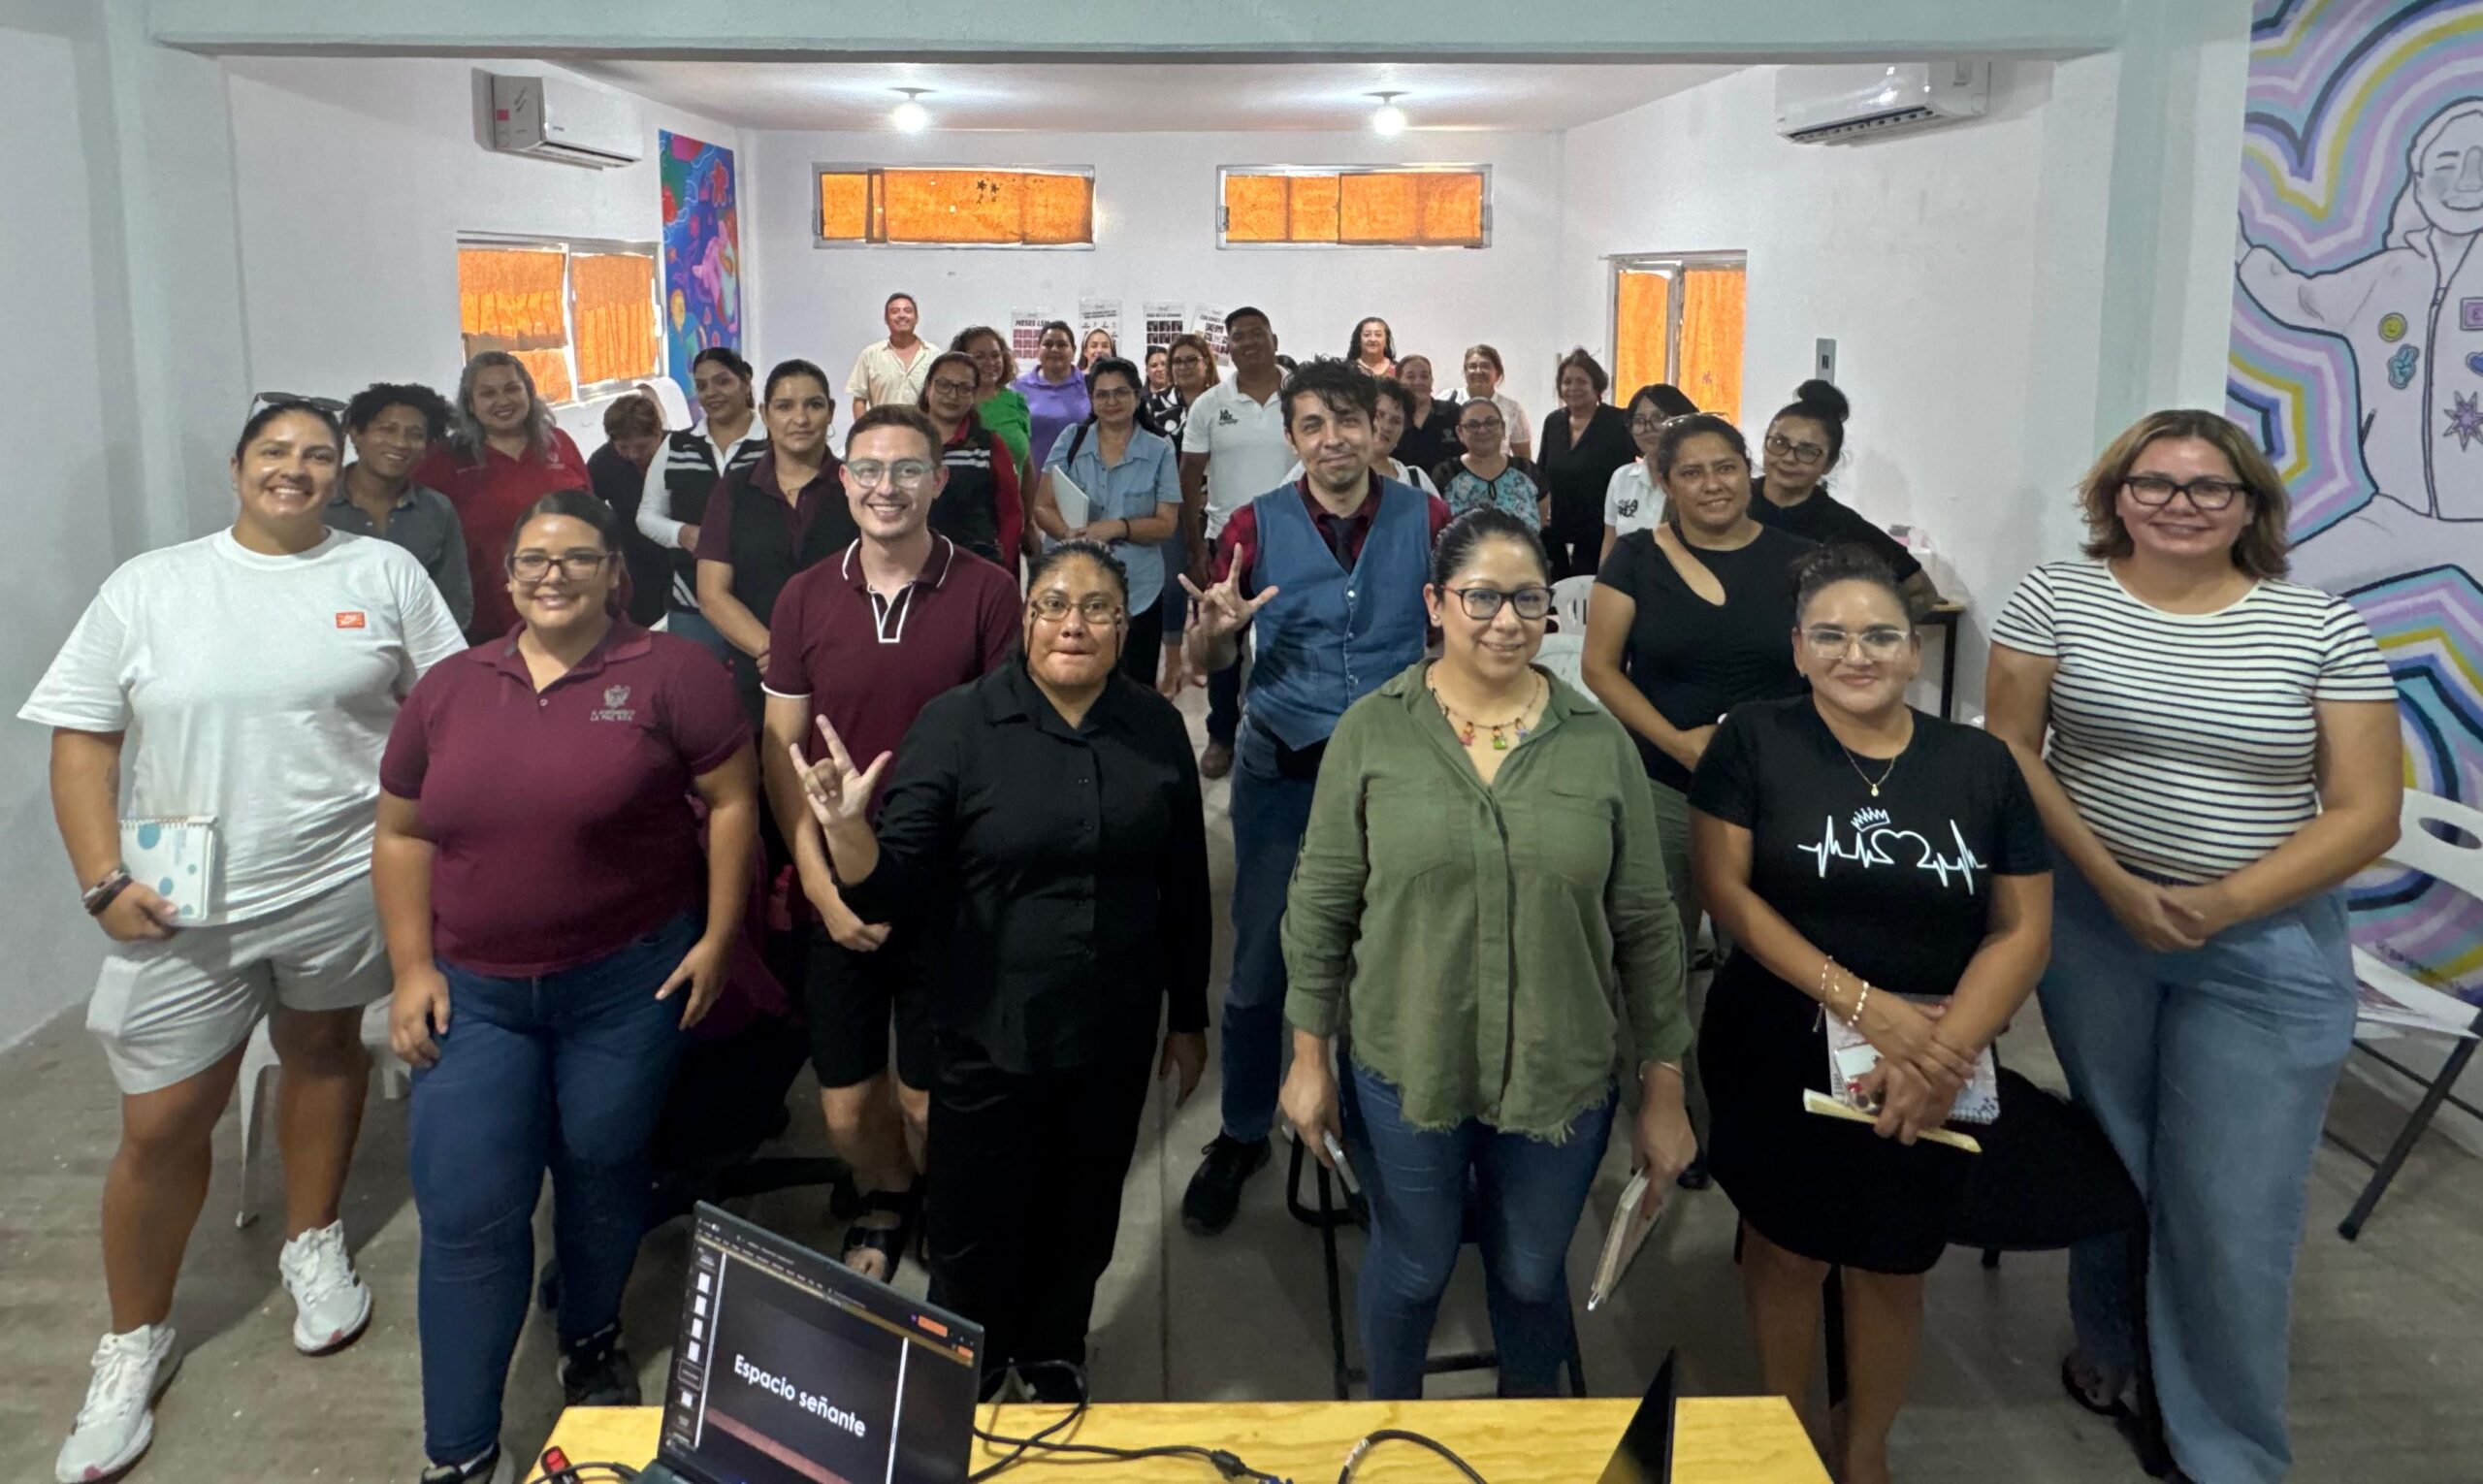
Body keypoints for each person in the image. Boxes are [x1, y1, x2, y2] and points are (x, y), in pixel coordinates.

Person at [27, 402, 466, 1484]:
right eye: (275, 452)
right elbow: (83, 741)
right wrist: (101, 880)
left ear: (340, 473)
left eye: (317, 455)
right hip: (181, 900)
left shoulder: (382, 575)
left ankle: (313, 1240)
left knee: (322, 1052)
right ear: (237, 468)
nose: (296, 470)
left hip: (339, 880)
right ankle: (135, 1340)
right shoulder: (152, 586)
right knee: (164, 1120)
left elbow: (449, 714)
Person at [1984, 410, 2402, 1484]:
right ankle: (2115, 1357)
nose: (2179, 504)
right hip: (2095, 926)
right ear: (2114, 496)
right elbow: (2013, 751)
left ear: (2249, 505)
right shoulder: (2055, 598)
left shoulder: (2317, 626)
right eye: (2154, 483)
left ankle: (2222, 1448)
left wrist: (2217, 903)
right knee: (2120, 1153)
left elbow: (2367, 813)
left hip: (2265, 942)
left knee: (2230, 1205)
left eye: (2209, 486)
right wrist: (2115, 885)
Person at [376, 489, 758, 1484]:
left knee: (601, 1162)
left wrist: (718, 936)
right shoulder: (451, 688)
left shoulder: (674, 672)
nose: (554, 576)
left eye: (578, 558)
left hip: (626, 982)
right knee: (468, 1208)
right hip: (474, 993)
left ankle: (590, 1333)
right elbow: (401, 831)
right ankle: (459, 1450)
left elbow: (730, 802)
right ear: (507, 579)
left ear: (614, 573)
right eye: (534, 561)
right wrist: (410, 967)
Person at [1280, 508, 1695, 1400]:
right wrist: (1309, 1056)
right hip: (1408, 1066)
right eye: (1481, 598)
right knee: (1414, 1267)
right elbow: (1321, 904)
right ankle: (1391, 1429)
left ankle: (1524, 1434)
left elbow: (1647, 924)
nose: (1507, 620)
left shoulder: (1598, 744)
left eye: (1528, 599)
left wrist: (1664, 1086)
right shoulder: (1373, 732)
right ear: (1436, 604)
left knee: (1530, 1275)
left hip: (1560, 1073)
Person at [790, 541, 1209, 1402]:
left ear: (1123, 626)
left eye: (1097, 608)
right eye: (1053, 604)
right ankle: (967, 1370)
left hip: (1113, 1028)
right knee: (973, 1222)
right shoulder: (957, 725)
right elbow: (893, 887)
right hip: (985, 1029)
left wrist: (1190, 1014)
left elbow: (1185, 884)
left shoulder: (1155, 726)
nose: (1073, 624)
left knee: (1084, 1212)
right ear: (1026, 620)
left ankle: (1054, 1351)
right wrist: (846, 830)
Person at [1691, 545, 2052, 1484]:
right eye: (1831, 636)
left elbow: (2021, 930)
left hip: (1934, 1058)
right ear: (1797, 649)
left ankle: (1863, 1451)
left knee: (1893, 1262)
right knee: (1785, 1252)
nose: (1857, 655)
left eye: (1881, 636)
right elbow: (1728, 895)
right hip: (1777, 1041)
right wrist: (1865, 1008)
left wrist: (1942, 1050)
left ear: (1916, 650)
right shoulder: (1754, 740)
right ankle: (1784, 1441)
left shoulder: (1980, 764)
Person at [1176, 361, 1453, 1237]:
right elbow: (1208, 663)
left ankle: (1373, 1134)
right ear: (1292, 438)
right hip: (1286, 768)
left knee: (1388, 962)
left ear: (1378, 427)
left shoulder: (1427, 518)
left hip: (1396, 771)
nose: (1332, 440)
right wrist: (1216, 638)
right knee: (1262, 959)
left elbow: (1452, 633)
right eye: (1311, 425)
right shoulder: (1253, 526)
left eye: (1347, 421)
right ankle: (1242, 1129)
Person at [759, 404, 1022, 1287]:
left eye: (909, 470)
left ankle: (949, 1202)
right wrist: (819, 886)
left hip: (947, 890)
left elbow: (1001, 753)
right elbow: (783, 750)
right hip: (835, 883)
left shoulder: (988, 591)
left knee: (926, 1099)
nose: (887, 487)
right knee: (844, 1110)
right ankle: (887, 1192)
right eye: (869, 469)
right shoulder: (804, 596)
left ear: (939, 481)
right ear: (843, 481)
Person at [695, 360, 855, 719]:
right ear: (766, 414)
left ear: (831, 411)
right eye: (785, 406)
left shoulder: (857, 488)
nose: (800, 419)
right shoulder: (734, 490)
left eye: (813, 405)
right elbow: (712, 593)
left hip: (846, 670)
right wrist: (777, 653)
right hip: (758, 674)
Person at [1179, 306, 1298, 778]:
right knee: (1222, 638)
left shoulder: (1302, 395)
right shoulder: (1210, 404)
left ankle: (1282, 728)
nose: (1248, 342)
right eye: (1238, 336)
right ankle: (1222, 733)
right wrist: (1195, 548)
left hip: (1294, 541)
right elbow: (1189, 478)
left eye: (1256, 333)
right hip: (1227, 545)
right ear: (1227, 347)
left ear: (1274, 339)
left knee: (1289, 638)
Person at [415, 351, 593, 645]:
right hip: (485, 624)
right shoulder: (444, 461)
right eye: (488, 393)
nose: (502, 401)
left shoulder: (559, 443)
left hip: (570, 609)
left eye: (512, 388)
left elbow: (593, 522)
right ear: (470, 404)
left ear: (528, 392)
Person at [1030, 355, 1181, 685]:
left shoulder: (1159, 449)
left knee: (1134, 685)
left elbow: (1166, 524)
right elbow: (1042, 506)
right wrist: (1067, 533)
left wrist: (1119, 527)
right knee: (1073, 680)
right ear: (1091, 399)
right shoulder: (1071, 439)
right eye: (1102, 394)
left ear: (1137, 395)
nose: (1111, 401)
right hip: (1072, 585)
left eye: (1120, 392)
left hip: (1137, 590)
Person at [1751, 381, 1940, 614]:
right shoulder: (1731, 505)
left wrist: (1866, 626)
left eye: (1808, 451)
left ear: (1829, 464)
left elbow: (1922, 591)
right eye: (1779, 443)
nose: (1789, 458)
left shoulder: (1843, 525)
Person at [637, 347, 766, 661]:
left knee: (762, 685)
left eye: (723, 381)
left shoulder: (773, 443)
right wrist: (683, 534)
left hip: (762, 598)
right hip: (691, 600)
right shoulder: (677, 445)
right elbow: (647, 515)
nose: (711, 393)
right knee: (695, 683)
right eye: (702, 385)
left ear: (745, 381)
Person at [332, 381, 473, 629]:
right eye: (387, 430)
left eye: (415, 435)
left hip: (417, 649)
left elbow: (454, 601)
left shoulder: (436, 510)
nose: (400, 443)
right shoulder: (315, 502)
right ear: (356, 435)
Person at [1153, 333, 1220, 695]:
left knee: (1209, 582)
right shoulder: (1155, 407)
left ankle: (1201, 657)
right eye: (1176, 361)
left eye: (1191, 359)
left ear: (1206, 363)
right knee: (1173, 582)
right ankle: (1173, 663)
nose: (1183, 367)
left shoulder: (1221, 402)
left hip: (1216, 504)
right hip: (1172, 508)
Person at [1536, 349, 1638, 581]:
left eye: (1581, 381)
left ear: (1597, 385)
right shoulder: (1553, 422)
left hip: (1604, 533)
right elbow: (1542, 473)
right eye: (1567, 382)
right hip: (1559, 531)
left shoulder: (1618, 421)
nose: (1573, 388)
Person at [916, 349, 1024, 566]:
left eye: (964, 388)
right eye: (944, 385)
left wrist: (1001, 565)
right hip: (913, 562)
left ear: (974, 395)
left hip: (975, 565)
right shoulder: (905, 440)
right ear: (928, 388)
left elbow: (1010, 512)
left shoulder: (988, 445)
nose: (953, 395)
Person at [586, 391, 675, 628]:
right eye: (623, 447)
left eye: (642, 446)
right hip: (636, 564)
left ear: (658, 432)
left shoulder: (683, 450)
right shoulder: (603, 462)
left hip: (684, 558)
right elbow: (588, 512)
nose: (634, 455)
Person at [1601, 384, 1697, 565]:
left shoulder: (1699, 481)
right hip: (1627, 580)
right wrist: (1603, 580)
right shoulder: (1622, 478)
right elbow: (1609, 546)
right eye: (1639, 421)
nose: (1648, 428)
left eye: (1659, 417)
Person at [1435, 396, 1547, 528]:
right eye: (1473, 425)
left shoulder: (1527, 471)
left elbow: (1541, 523)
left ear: (1503, 428)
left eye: (1490, 422)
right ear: (1460, 432)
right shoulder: (1446, 475)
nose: (1482, 430)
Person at [952, 325, 1031, 485]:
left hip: (1010, 499)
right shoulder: (952, 403)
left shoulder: (1016, 401)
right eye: (979, 357)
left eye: (995, 355)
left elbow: (1026, 463)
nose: (990, 363)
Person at [1013, 321, 1091, 471]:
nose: (1054, 349)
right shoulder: (1018, 388)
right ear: (1038, 349)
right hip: (1032, 479)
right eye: (1047, 344)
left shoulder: (1090, 385)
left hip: (1082, 478)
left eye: (1062, 345)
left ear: (1074, 351)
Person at [847, 291, 932, 421]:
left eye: (908, 311)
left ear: (916, 318)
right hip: (882, 430)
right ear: (886, 319)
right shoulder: (870, 354)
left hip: (922, 431)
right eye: (895, 311)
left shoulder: (933, 354)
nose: (902, 315)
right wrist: (864, 431)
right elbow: (859, 400)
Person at [1393, 353, 1464, 478]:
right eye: (1410, 377)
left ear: (1431, 381)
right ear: (1398, 382)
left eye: (1424, 376)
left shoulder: (1454, 413)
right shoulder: (1391, 417)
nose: (1418, 382)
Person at [1458, 343, 1532, 460]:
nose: (1478, 371)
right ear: (1465, 372)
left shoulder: (1512, 409)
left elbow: (1523, 458)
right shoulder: (1447, 400)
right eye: (1472, 366)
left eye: (1485, 366)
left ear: (1497, 374)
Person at [1144, 345, 1176, 421]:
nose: (1160, 369)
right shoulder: (1139, 400)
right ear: (1147, 371)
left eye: (1164, 364)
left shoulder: (1181, 395)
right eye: (1154, 366)